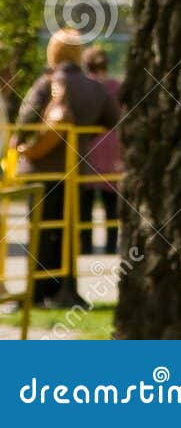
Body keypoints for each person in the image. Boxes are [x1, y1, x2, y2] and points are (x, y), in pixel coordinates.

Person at [15, 30, 118, 306]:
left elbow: (25, 120)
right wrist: (83, 136)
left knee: (41, 231)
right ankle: (66, 290)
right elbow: (112, 118)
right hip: (75, 170)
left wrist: (26, 142)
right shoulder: (94, 88)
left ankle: (38, 292)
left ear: (53, 52)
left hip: (42, 171)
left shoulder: (46, 84)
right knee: (68, 232)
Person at [79, 45, 123, 256]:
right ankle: (111, 245)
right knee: (111, 202)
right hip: (112, 147)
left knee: (86, 201)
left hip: (89, 146)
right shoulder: (116, 86)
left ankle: (86, 245)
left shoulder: (85, 87)